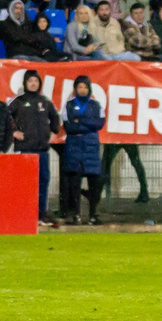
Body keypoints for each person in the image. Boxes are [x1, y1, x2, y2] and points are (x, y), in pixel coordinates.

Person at [6, 73, 62, 226]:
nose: (33, 83)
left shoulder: (45, 102)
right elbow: (6, 117)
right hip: (25, 150)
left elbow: (55, 117)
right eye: (30, 80)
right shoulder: (18, 102)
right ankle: (25, 214)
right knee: (25, 183)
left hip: (42, 149)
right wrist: (14, 132)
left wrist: (53, 132)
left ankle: (41, 214)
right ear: (25, 83)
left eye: (36, 80)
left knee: (43, 181)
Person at [59, 74, 104, 225]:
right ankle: (76, 215)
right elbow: (69, 126)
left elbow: (99, 124)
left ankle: (93, 214)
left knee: (94, 182)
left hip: (91, 146)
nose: (83, 90)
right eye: (80, 87)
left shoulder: (96, 105)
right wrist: (87, 124)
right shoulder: (69, 105)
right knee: (74, 182)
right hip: (74, 146)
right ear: (75, 89)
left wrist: (80, 121)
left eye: (85, 87)